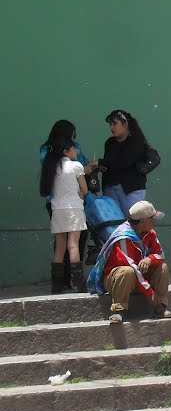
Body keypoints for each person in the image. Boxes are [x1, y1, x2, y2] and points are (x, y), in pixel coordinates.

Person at [88, 200, 171, 323]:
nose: (154, 222)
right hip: (118, 279)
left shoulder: (150, 234)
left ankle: (160, 307)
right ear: (143, 221)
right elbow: (132, 267)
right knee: (126, 271)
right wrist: (149, 292)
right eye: (152, 218)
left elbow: (160, 255)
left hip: (139, 278)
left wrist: (150, 259)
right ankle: (119, 310)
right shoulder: (123, 237)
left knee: (162, 267)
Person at [39, 120, 96, 291]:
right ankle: (78, 283)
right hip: (74, 209)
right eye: (73, 147)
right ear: (66, 149)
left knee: (60, 245)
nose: (77, 150)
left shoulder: (51, 165)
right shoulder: (76, 165)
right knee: (74, 245)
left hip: (57, 208)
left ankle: (57, 284)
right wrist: (81, 192)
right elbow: (84, 190)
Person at [98, 109, 151, 218]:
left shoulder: (136, 141)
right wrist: (103, 167)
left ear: (125, 124)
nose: (111, 128)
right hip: (111, 188)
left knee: (133, 223)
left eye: (115, 124)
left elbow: (124, 161)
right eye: (110, 124)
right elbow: (110, 164)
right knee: (113, 224)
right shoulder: (109, 143)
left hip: (131, 189)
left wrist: (100, 162)